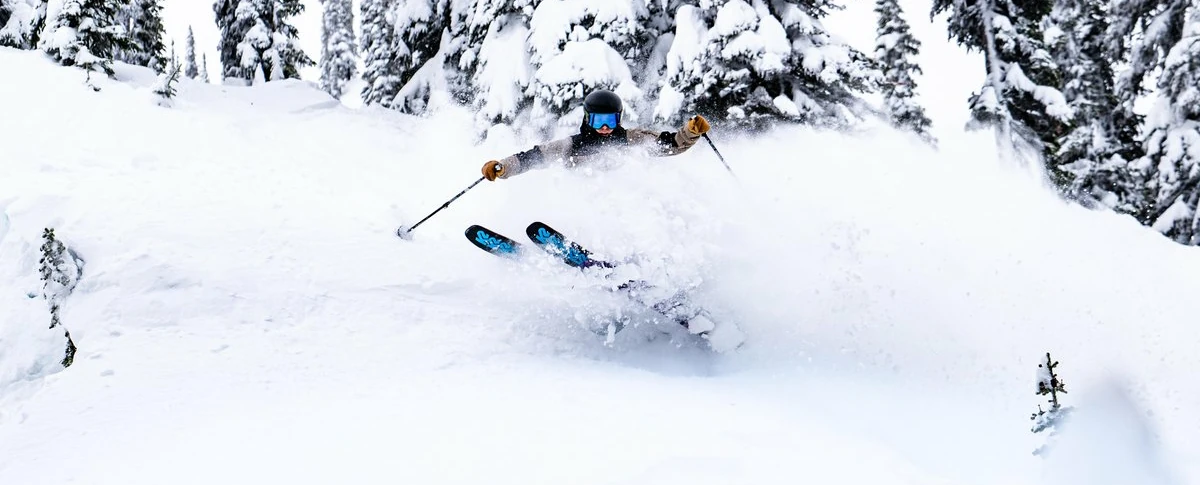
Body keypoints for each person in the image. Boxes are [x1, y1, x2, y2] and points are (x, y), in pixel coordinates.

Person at [481, 89, 711, 181]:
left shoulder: (632, 139)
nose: (604, 127)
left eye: (609, 120)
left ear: (618, 118)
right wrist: (503, 167)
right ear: (587, 119)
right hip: (582, 203)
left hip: (623, 204)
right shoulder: (571, 145)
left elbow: (669, 144)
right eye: (598, 121)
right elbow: (534, 156)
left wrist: (690, 132)